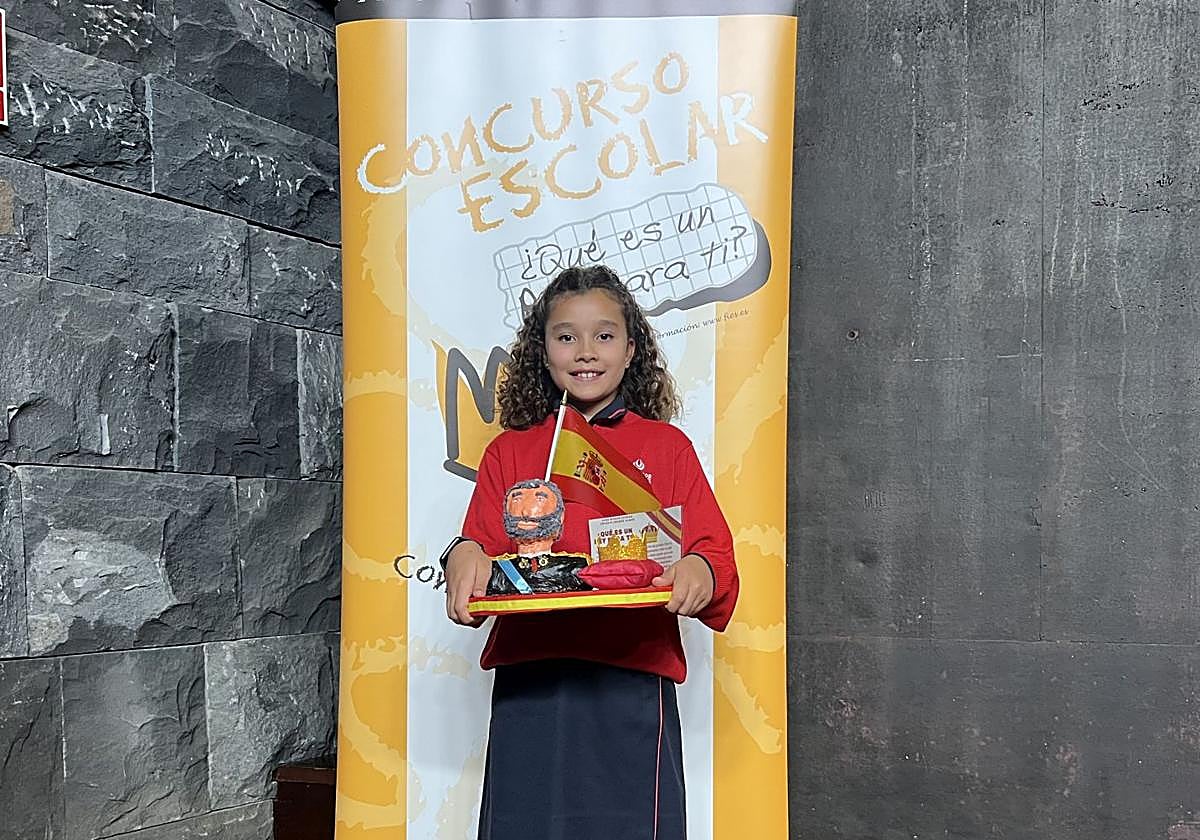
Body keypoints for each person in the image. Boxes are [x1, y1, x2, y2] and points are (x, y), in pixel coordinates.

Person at [441, 263, 738, 840]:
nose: (585, 351)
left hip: (631, 674)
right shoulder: (511, 451)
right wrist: (463, 553)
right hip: (532, 677)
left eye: (604, 335)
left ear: (631, 349)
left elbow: (714, 553)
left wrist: (700, 567)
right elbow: (479, 545)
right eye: (565, 336)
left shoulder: (666, 446)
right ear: (542, 351)